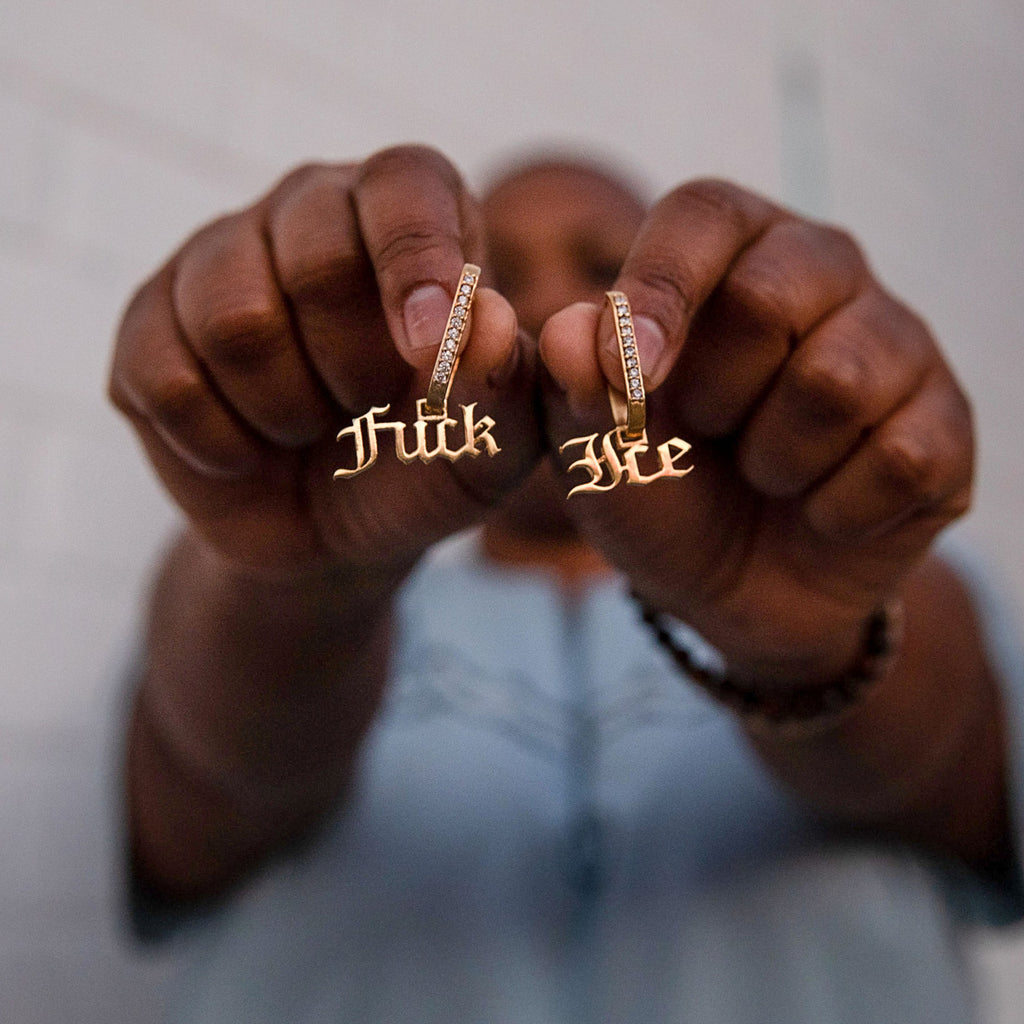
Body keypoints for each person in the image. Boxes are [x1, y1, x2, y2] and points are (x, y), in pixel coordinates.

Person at [110, 145, 1021, 1022]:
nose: (547, 304)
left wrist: (811, 637)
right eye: (495, 278)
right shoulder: (313, 612)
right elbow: (204, 794)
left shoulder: (856, 556)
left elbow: (956, 765)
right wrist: (301, 587)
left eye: (604, 269)